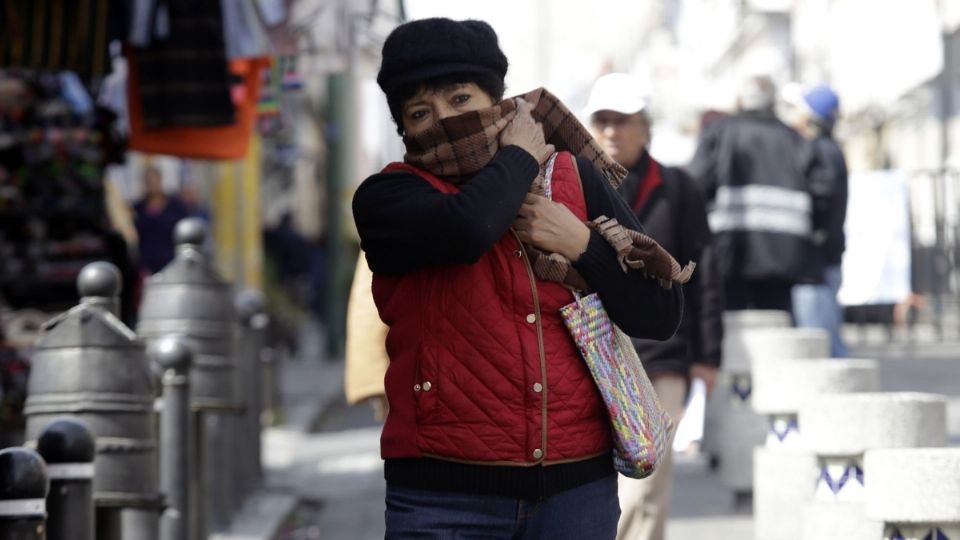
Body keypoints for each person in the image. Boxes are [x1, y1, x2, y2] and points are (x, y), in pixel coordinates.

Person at [352, 17, 688, 539]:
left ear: (498, 100)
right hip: (444, 498)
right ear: (405, 130)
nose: (445, 120)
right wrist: (520, 155)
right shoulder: (389, 198)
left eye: (461, 99)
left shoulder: (574, 179)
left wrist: (582, 244)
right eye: (421, 113)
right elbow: (469, 229)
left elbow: (660, 313)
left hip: (575, 493)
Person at [584, 73, 723, 540]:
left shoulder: (678, 188)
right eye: (602, 121)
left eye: (622, 121)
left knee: (647, 484)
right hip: (594, 353)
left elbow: (704, 276)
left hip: (662, 357)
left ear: (645, 128)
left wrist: (707, 358)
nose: (611, 132)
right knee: (602, 485)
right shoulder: (574, 186)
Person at [688, 75, 823, 313]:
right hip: (785, 251)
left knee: (733, 326)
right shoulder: (795, 139)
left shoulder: (719, 133)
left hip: (730, 249)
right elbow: (821, 191)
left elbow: (696, 183)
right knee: (777, 324)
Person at [784, 84, 849, 357]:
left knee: (822, 345)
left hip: (818, 263)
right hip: (822, 259)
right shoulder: (827, 149)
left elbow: (822, 199)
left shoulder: (821, 150)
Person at [133, 163, 190, 274]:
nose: (152, 184)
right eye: (149, 181)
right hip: (147, 265)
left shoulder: (176, 206)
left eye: (154, 180)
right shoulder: (138, 208)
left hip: (171, 262)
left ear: (160, 180)